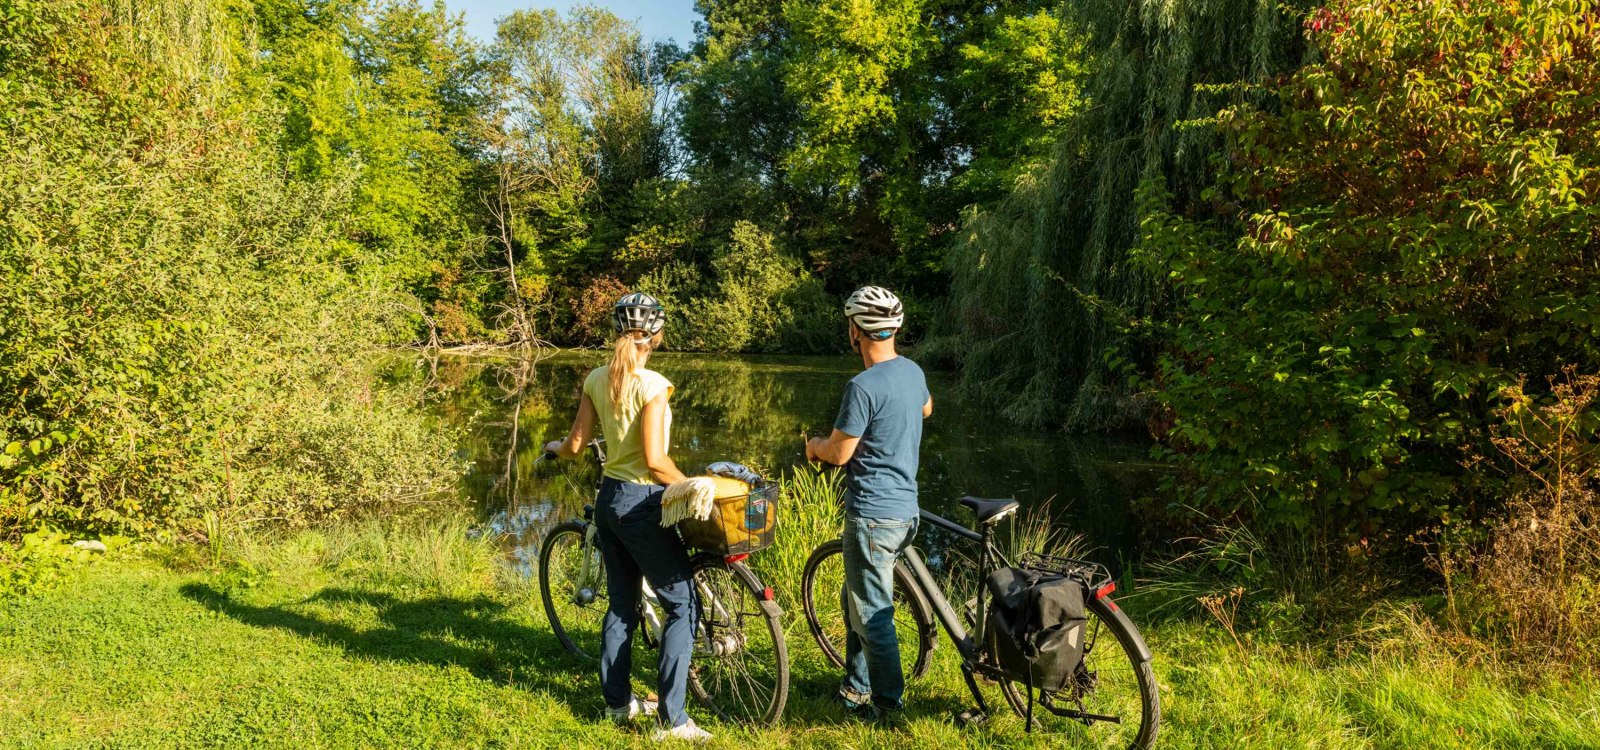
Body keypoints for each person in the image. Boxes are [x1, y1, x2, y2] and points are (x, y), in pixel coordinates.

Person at [544, 292, 711, 743]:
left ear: (617, 330)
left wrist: (553, 447)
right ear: (657, 334)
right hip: (642, 504)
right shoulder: (653, 384)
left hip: (610, 500)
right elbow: (656, 462)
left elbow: (574, 446)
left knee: (622, 604)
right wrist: (696, 486)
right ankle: (673, 721)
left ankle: (617, 705)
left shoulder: (597, 378)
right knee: (681, 604)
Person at [804, 286, 932, 724]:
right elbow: (926, 409)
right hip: (907, 511)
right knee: (855, 599)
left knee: (874, 615)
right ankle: (856, 686)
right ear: (895, 328)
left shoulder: (862, 386)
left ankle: (887, 707)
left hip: (873, 516)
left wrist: (814, 446)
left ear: (855, 331)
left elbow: (839, 453)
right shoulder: (912, 371)